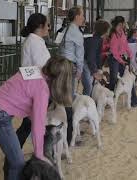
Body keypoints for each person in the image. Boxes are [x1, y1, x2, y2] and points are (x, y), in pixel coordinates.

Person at [0, 56, 73, 180]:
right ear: (61, 80)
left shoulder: (36, 70)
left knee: (14, 158)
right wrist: (39, 154)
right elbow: (37, 124)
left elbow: (17, 86)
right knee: (18, 163)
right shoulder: (42, 89)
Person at [1, 13, 51, 180]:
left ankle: (15, 158)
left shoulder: (35, 41)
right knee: (28, 127)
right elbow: (41, 68)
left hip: (32, 88)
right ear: (41, 26)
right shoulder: (34, 42)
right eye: (47, 25)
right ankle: (15, 161)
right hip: (33, 89)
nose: (49, 28)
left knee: (27, 127)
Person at [59, 6, 85, 144]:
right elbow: (80, 54)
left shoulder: (65, 28)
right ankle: (71, 136)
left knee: (62, 99)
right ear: (76, 17)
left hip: (60, 65)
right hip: (70, 66)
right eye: (82, 15)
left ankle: (68, 130)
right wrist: (80, 70)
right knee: (70, 99)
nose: (84, 18)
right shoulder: (76, 32)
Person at [108, 16, 137, 107]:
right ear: (115, 25)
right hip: (114, 59)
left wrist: (131, 56)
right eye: (119, 25)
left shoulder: (123, 34)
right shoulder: (113, 35)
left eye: (122, 24)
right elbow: (114, 51)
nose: (121, 26)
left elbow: (126, 46)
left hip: (121, 59)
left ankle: (134, 101)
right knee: (113, 79)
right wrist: (121, 61)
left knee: (129, 78)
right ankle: (109, 100)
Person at [82, 20, 110, 96]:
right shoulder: (93, 40)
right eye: (107, 30)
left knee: (91, 83)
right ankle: (86, 101)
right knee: (88, 85)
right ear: (104, 31)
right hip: (84, 61)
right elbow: (90, 58)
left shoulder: (99, 39)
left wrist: (99, 68)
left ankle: (90, 100)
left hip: (89, 62)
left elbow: (98, 55)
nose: (108, 33)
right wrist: (94, 71)